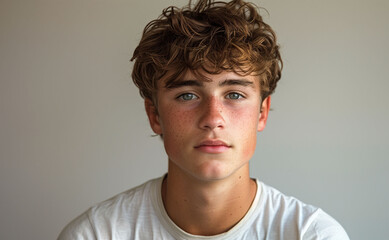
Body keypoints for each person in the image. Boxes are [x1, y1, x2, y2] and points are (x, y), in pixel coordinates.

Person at [58, 0, 350, 239]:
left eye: (234, 95)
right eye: (187, 95)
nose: (213, 119)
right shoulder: (95, 234)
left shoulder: (312, 235)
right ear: (154, 115)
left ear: (262, 113)